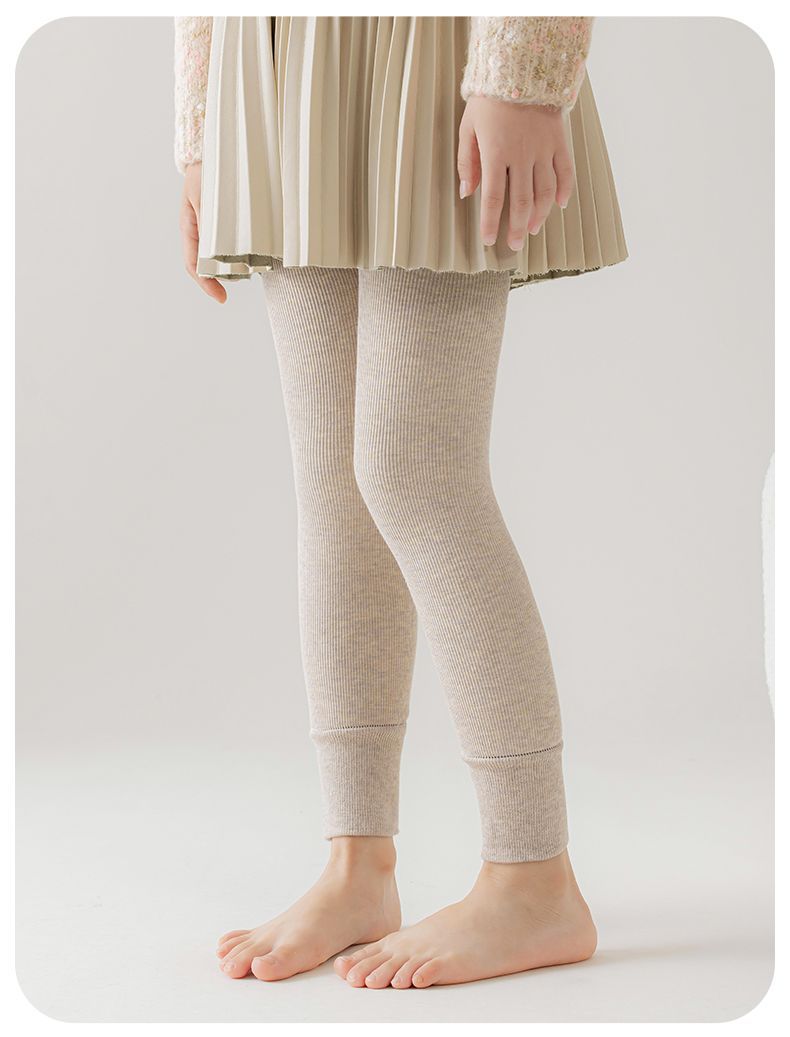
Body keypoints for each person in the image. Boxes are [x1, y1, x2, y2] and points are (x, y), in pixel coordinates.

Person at [175, 15, 628, 989]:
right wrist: (201, 124)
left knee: (415, 471)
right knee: (334, 483)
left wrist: (522, 68)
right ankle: (356, 863)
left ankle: (533, 875)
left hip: (435, 42)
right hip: (279, 52)